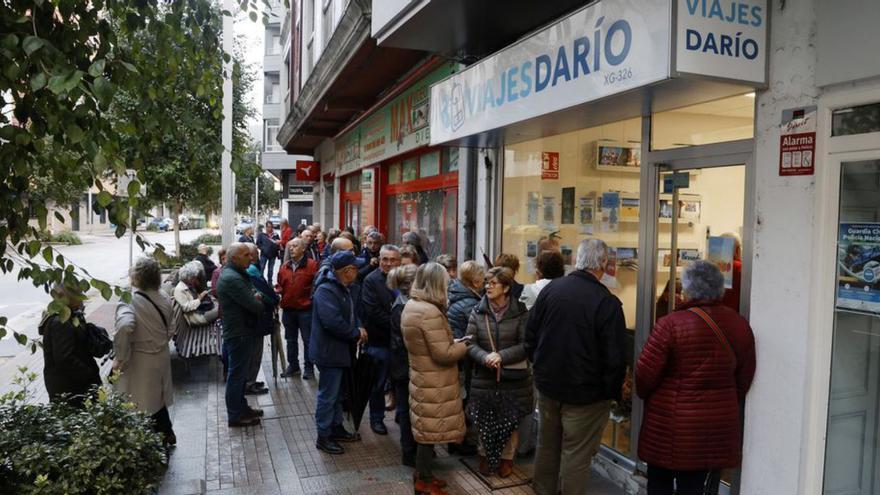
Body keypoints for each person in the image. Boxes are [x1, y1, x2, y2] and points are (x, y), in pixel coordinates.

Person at [636, 260, 756, 495]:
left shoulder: (670, 325)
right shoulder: (740, 325)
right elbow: (743, 380)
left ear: (687, 289)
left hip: (669, 426)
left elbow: (644, 378)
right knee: (694, 487)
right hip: (715, 427)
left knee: (659, 483)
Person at [525, 238, 627, 495]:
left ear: (577, 260)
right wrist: (611, 393)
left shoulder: (552, 290)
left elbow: (530, 335)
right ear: (603, 263)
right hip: (586, 396)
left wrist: (539, 367)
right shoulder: (607, 303)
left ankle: (542, 491)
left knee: (547, 447)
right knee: (576, 456)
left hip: (549, 387)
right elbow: (615, 358)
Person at [402, 262, 469, 495]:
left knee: (425, 431)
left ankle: (425, 475)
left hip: (423, 377)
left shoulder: (413, 305)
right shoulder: (429, 312)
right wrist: (465, 346)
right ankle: (424, 481)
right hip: (434, 381)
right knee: (428, 434)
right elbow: (443, 354)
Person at [465, 267, 532, 478]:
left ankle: (506, 459)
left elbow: (526, 344)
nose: (488, 287)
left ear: (506, 287)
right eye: (486, 283)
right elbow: (469, 342)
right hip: (484, 376)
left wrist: (502, 356)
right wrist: (484, 357)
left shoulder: (521, 312)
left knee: (510, 420)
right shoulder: (478, 311)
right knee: (485, 419)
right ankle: (484, 456)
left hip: (513, 378)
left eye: (493, 283)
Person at [113, 256, 176, 446]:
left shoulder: (129, 300)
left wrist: (120, 357)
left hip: (139, 361)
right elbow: (171, 327)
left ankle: (146, 443)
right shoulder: (164, 296)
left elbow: (124, 326)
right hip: (161, 356)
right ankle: (166, 433)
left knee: (138, 403)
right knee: (157, 398)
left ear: (136, 278)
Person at [310, 251, 367, 454]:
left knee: (336, 394)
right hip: (329, 353)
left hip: (340, 352)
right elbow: (332, 322)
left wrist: (358, 328)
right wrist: (354, 333)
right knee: (328, 395)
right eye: (356, 267)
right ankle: (323, 436)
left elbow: (352, 314)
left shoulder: (346, 288)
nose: (358, 271)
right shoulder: (326, 290)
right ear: (347, 271)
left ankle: (336, 428)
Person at [216, 242, 265, 427]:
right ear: (234, 258)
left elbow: (254, 293)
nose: (251, 258)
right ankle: (235, 415)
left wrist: (255, 296)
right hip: (239, 333)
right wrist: (257, 300)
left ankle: (241, 407)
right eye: (246, 255)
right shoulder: (232, 278)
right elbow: (256, 305)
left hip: (242, 330)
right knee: (236, 375)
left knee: (240, 374)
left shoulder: (235, 273)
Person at [360, 244, 402, 435]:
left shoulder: (404, 279)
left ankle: (402, 415)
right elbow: (373, 312)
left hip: (401, 343)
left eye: (393, 260)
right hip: (380, 340)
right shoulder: (371, 280)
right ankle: (377, 419)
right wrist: (401, 324)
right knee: (377, 384)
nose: (388, 263)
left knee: (401, 381)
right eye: (385, 259)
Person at [39, 284, 102, 408]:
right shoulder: (61, 322)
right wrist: (89, 374)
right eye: (79, 295)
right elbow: (64, 358)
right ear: (66, 297)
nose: (82, 299)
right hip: (71, 389)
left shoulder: (68, 315)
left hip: (71, 386)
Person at [387, 264, 418, 466]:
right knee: (407, 411)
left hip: (403, 365)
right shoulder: (402, 306)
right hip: (404, 367)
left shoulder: (404, 303)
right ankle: (409, 452)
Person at [276, 237, 319, 379]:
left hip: (305, 310)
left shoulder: (313, 266)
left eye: (295, 246)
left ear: (303, 249)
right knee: (290, 340)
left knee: (307, 340)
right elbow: (281, 284)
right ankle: (293, 366)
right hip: (288, 309)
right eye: (290, 246)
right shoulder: (284, 267)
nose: (291, 249)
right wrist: (277, 290)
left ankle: (309, 368)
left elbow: (316, 286)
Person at [245, 244, 278, 395]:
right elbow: (265, 294)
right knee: (254, 353)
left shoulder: (249, 270)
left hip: (253, 320)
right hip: (255, 320)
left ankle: (250, 380)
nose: (258, 255)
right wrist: (274, 299)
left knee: (254, 352)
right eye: (255, 253)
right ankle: (249, 383)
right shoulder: (251, 271)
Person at [173, 261, 219, 326]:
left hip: (201, 311)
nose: (195, 279)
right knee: (221, 309)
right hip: (197, 317)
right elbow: (186, 307)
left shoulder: (188, 284)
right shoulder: (179, 289)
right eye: (194, 277)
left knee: (220, 306)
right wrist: (200, 299)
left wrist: (201, 296)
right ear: (188, 277)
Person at [720, 232, 743, 313]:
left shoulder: (711, 268)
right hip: (736, 315)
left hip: (714, 315)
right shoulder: (741, 268)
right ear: (737, 249)